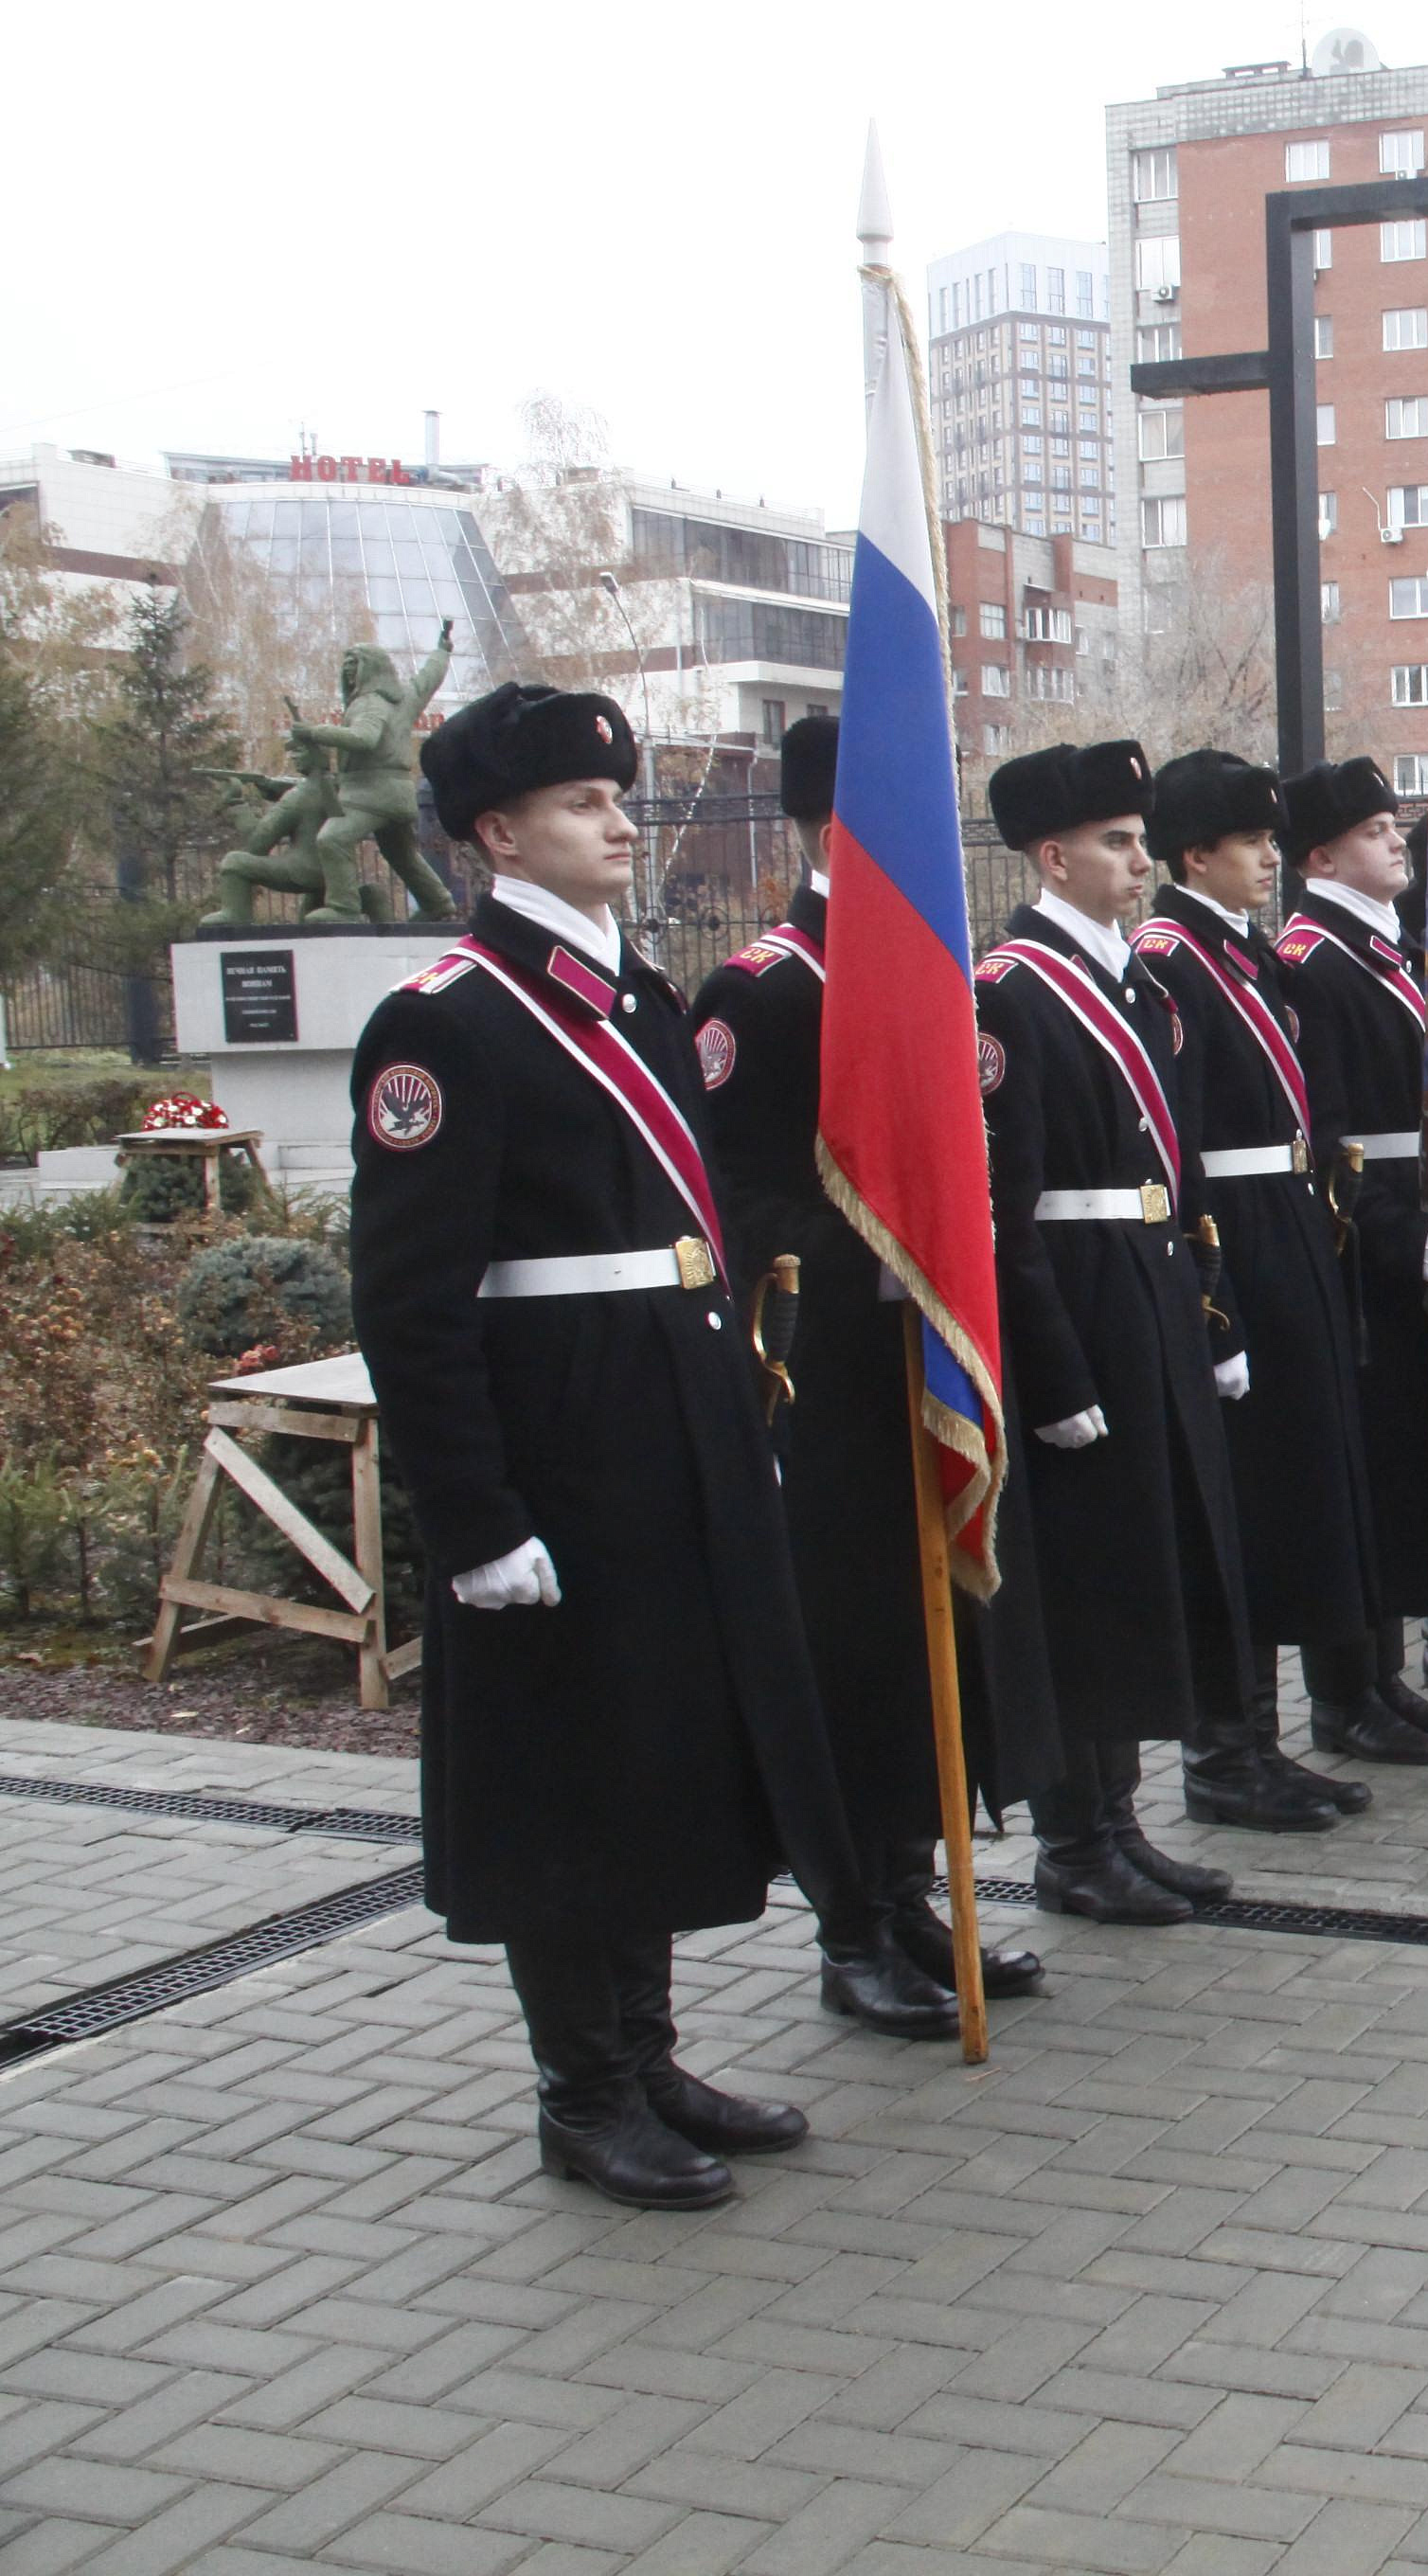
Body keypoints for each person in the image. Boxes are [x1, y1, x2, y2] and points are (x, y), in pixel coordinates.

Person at [363, 681, 951, 2215]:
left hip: (666, 1423)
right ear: (497, 832)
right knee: (569, 1773)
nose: (621, 821)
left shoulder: (629, 998)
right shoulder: (442, 1024)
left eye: (616, 797)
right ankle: (585, 2093)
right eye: (581, 803)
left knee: (651, 1759)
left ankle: (650, 2050)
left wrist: (729, 1426)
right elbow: (412, 1310)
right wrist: (474, 1524)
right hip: (558, 1446)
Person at [687, 716, 1046, 2020]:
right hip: (832, 1376)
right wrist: (871, 1264)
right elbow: (737, 1198)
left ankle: (916, 1897)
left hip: (937, 1361)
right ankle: (853, 1933)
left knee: (931, 1636)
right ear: (829, 820)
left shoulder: (941, 971)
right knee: (851, 1649)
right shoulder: (766, 989)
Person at [977, 739, 1259, 1917]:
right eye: (1117, 842)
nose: (1142, 861)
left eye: (1144, 840)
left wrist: (1216, 1314)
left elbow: (1180, 1173)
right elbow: (1006, 1209)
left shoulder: (1134, 982)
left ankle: (1124, 1818)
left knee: (1151, 1558)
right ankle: (1072, 1843)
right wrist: (1048, 1368)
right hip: (1080, 1295)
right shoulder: (1010, 986)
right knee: (1088, 1576)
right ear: (1054, 854)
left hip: (1151, 1281)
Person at [1134, 749, 1424, 1788]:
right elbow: (1179, 1135)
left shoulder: (1254, 956)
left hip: (1295, 1223)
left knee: (1321, 1472)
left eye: (1272, 839)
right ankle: (1231, 1742)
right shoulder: (1169, 958)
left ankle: (1352, 1689)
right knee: (1255, 1493)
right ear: (1197, 852)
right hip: (1235, 1239)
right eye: (1252, 842)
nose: (1270, 858)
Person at [1273, 758, 1428, 1709]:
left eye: (1394, 825)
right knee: (1377, 1463)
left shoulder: (1386, 951)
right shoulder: (1311, 961)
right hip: (1372, 1251)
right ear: (1322, 855)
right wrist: (1394, 1231)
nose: (1396, 840)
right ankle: (1352, 1690)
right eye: (1375, 830)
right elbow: (1327, 1133)